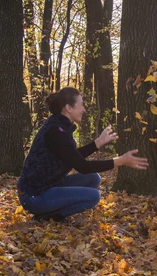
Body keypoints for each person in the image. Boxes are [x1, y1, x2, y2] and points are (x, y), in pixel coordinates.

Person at [17, 87, 148, 221]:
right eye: (81, 105)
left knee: (93, 178)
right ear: (68, 108)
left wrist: (98, 143)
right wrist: (120, 161)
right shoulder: (56, 132)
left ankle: (51, 211)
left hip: (48, 186)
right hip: (34, 196)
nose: (84, 109)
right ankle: (49, 216)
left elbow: (71, 156)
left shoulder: (59, 126)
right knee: (93, 196)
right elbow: (82, 166)